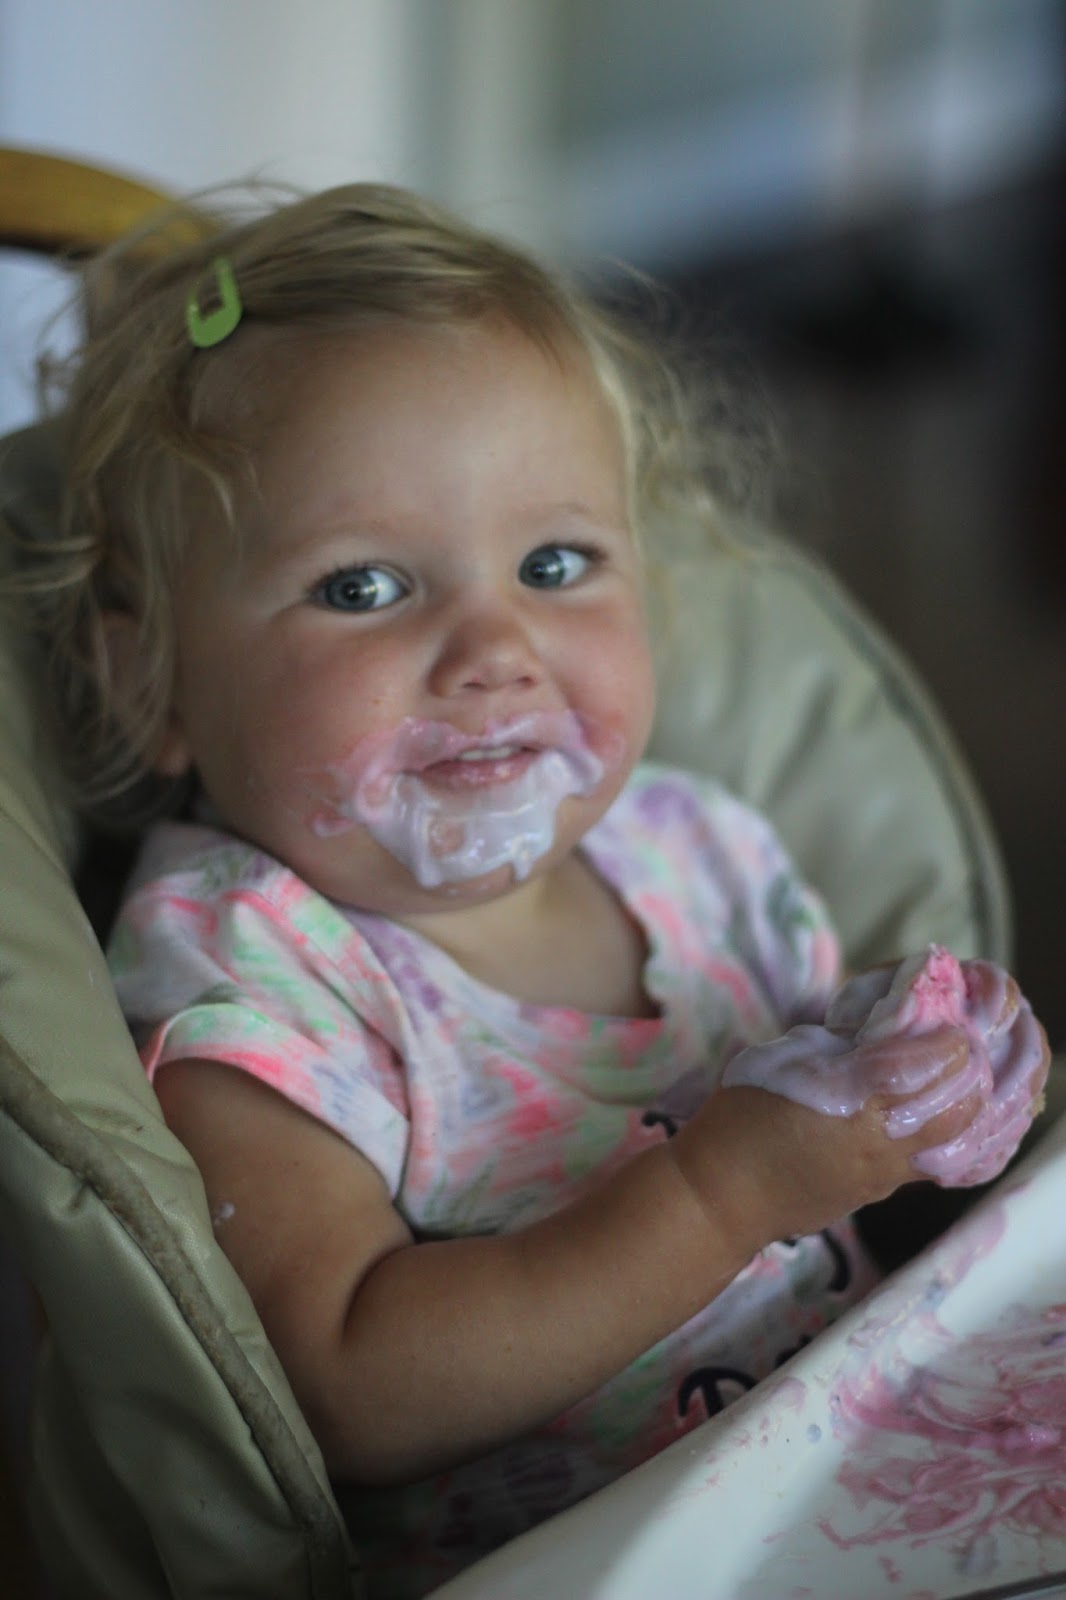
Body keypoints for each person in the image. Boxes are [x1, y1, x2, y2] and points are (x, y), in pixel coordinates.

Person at [12, 183, 1048, 1598]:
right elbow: (345, 1384)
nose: (491, 647)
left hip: (852, 1473)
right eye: (364, 587)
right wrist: (718, 1191)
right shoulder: (249, 971)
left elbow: (851, 1156)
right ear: (152, 685)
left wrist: (929, 1069)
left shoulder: (701, 851)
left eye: (554, 565)